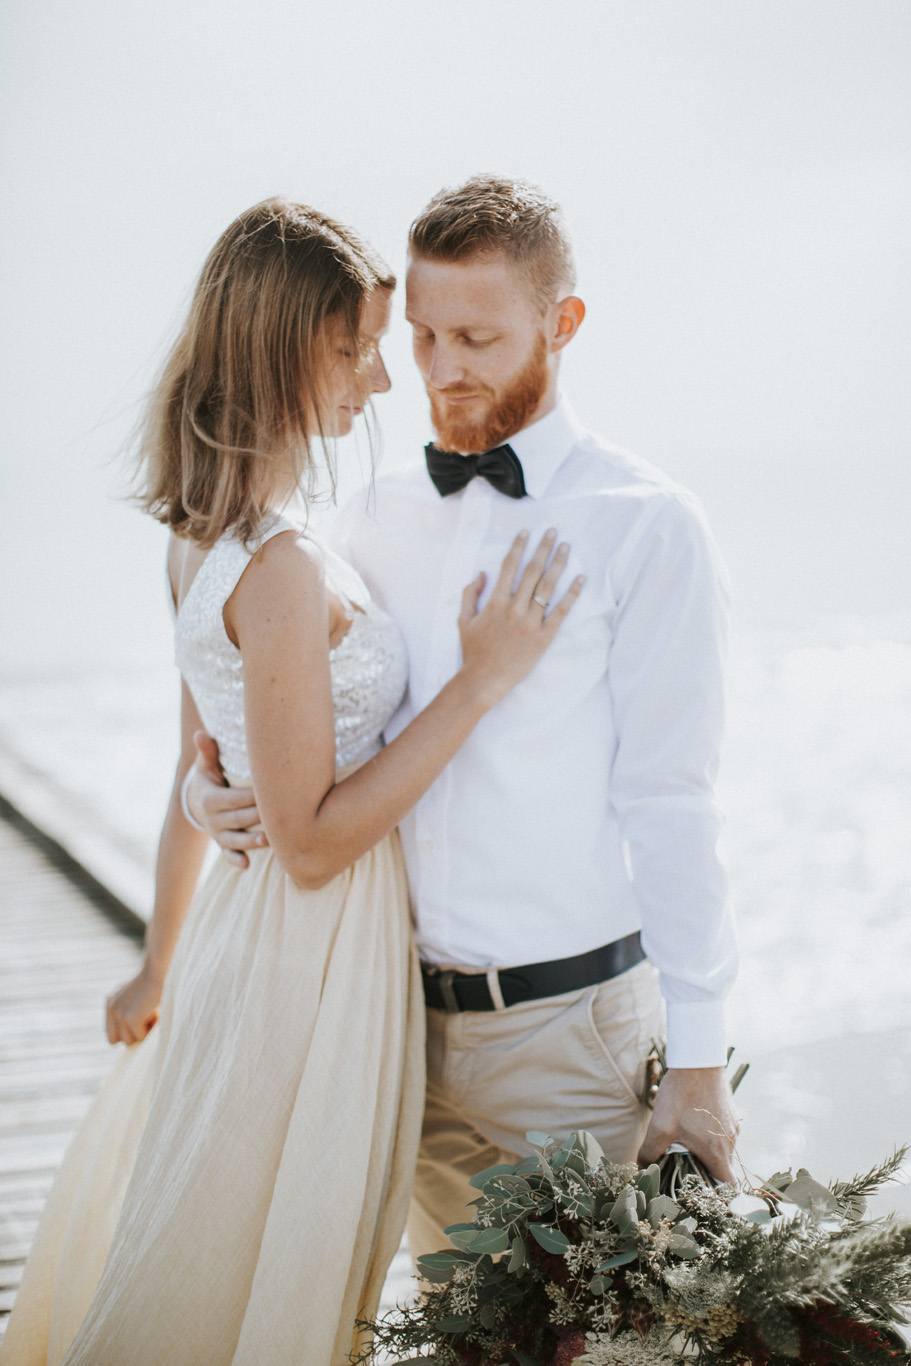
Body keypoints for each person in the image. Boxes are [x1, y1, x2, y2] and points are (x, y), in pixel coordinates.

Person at [0, 198, 582, 1366]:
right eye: (353, 348)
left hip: (248, 937)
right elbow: (312, 840)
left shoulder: (199, 534)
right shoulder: (275, 565)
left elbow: (197, 767)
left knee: (236, 1252)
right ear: (280, 351)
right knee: (272, 1277)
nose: (379, 383)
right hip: (308, 959)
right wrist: (479, 682)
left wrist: (160, 959)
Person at [185, 175, 742, 1264]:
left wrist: (701, 1060)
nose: (440, 371)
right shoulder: (368, 512)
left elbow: (673, 801)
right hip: (388, 1028)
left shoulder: (646, 527)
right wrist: (209, 793)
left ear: (561, 323)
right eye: (425, 335)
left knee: (625, 1338)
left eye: (477, 337)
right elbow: (309, 724)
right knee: (461, 1341)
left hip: (570, 1038)